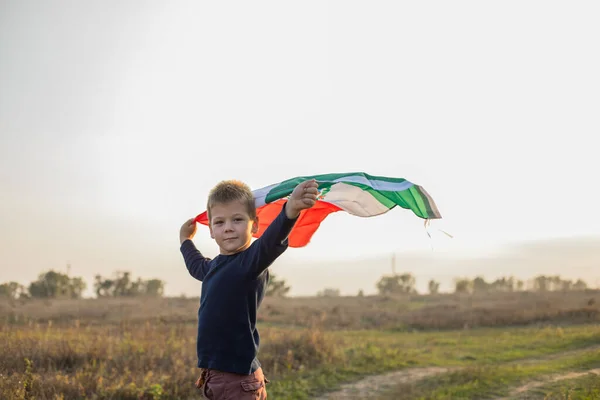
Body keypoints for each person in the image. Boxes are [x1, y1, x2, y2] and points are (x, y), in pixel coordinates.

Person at [179, 178, 319, 399]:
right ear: (211, 230)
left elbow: (270, 243)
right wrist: (185, 241)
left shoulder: (249, 263)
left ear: (254, 225)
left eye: (237, 220)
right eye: (219, 222)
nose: (228, 228)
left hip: (236, 380)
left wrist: (290, 210)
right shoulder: (215, 267)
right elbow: (197, 266)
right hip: (218, 376)